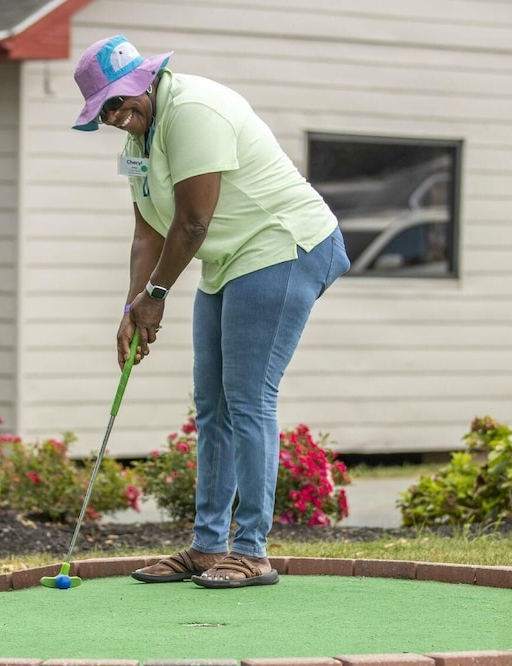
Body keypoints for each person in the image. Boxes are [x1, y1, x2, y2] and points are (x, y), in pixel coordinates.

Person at [71, 35, 350, 589]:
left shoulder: (193, 111)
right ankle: (207, 545)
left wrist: (156, 296)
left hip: (284, 245)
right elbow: (148, 229)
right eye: (105, 113)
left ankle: (251, 551)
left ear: (144, 82)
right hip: (230, 260)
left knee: (248, 398)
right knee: (212, 403)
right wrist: (132, 306)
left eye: (121, 104)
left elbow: (192, 224)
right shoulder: (137, 141)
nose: (118, 118)